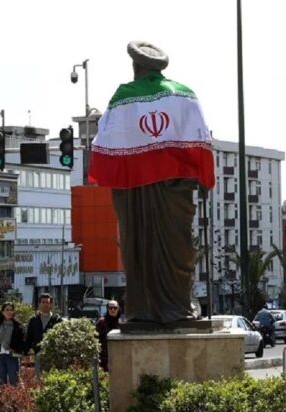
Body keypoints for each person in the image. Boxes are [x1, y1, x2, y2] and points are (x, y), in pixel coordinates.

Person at [88, 41, 215, 325]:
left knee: (137, 246)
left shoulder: (124, 97)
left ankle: (142, 309)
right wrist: (201, 175)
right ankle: (178, 307)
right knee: (177, 246)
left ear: (136, 66)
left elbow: (105, 141)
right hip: (175, 188)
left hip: (135, 189)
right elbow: (200, 139)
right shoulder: (184, 95)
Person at [0, 302, 26, 385]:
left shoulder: (17, 326)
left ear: (13, 312)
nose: (9, 312)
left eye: (11, 310)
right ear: (3, 312)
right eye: (7, 310)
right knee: (0, 383)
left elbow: (22, 343)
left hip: (12, 356)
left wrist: (12, 347)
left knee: (15, 382)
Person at [26, 293, 63, 380]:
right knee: (39, 378)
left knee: (52, 378)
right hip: (38, 353)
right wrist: (27, 352)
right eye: (43, 302)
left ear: (51, 304)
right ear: (39, 304)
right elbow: (29, 337)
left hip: (53, 355)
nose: (45, 304)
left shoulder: (57, 320)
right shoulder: (33, 320)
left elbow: (62, 337)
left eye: (47, 302)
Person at [95, 300, 121, 371]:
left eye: (115, 308)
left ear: (118, 309)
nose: (113, 310)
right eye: (110, 308)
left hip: (117, 356)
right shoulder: (102, 322)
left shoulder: (120, 323)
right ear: (107, 309)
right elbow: (95, 338)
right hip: (103, 358)